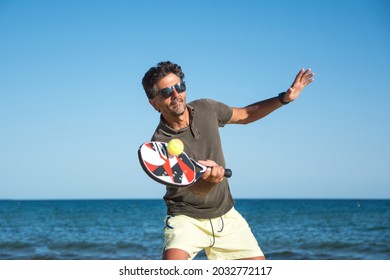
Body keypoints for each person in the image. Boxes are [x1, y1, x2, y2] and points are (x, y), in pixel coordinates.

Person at [141, 61, 314, 260]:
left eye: (179, 87)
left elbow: (246, 115)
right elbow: (195, 191)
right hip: (186, 219)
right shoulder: (159, 147)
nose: (176, 95)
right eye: (166, 92)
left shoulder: (206, 108)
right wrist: (211, 180)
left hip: (226, 215)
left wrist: (284, 98)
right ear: (153, 102)